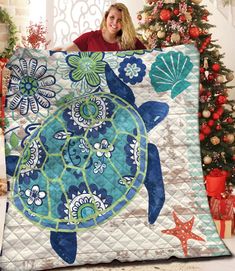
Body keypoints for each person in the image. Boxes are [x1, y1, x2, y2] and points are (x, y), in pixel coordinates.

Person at [53, 3, 146, 52]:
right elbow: (63, 49)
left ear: (125, 23)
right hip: (95, 87)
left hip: (120, 87)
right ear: (106, 17)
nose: (114, 23)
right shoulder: (90, 37)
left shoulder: (130, 41)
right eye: (112, 17)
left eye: (120, 20)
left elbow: (149, 57)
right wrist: (41, 54)